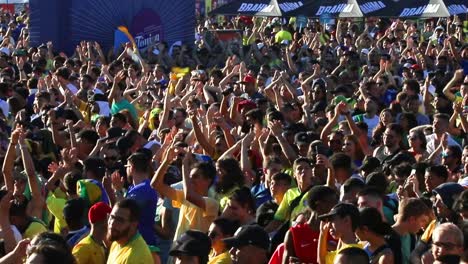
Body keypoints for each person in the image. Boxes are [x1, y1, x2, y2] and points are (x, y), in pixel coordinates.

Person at [107, 199, 153, 264]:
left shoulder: (136, 257)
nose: (112, 223)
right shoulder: (117, 242)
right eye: (112, 217)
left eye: (120, 220)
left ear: (134, 224)